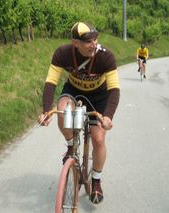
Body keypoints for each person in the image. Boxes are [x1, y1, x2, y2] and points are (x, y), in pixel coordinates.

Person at [38, 22, 120, 204]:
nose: (94, 44)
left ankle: (96, 180)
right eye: (88, 41)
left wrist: (108, 116)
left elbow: (114, 89)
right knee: (62, 111)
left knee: (98, 139)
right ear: (75, 43)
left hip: (100, 96)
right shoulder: (62, 53)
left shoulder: (106, 57)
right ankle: (70, 147)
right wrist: (46, 111)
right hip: (74, 91)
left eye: (95, 39)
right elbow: (51, 82)